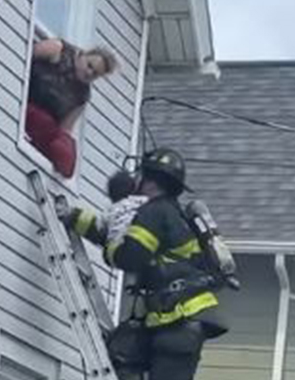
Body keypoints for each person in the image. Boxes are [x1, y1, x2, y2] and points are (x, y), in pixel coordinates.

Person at [66, 148, 229, 380]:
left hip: (177, 322)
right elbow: (112, 232)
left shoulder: (153, 212)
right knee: (122, 349)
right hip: (175, 320)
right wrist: (73, 217)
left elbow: (131, 256)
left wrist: (111, 252)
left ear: (149, 181)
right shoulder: (172, 213)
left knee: (124, 355)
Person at [25, 32, 117, 177]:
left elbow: (65, 128)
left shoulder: (82, 97)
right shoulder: (58, 49)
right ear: (83, 55)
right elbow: (24, 56)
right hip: (26, 102)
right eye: (89, 65)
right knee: (44, 121)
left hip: (41, 126)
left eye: (95, 74)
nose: (89, 72)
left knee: (65, 151)